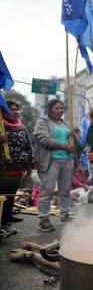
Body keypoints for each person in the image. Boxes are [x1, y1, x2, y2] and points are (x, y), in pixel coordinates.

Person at [33, 99, 77, 232]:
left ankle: (64, 214)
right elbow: (45, 140)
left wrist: (74, 137)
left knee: (65, 190)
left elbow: (74, 145)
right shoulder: (42, 122)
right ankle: (43, 219)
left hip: (67, 160)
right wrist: (65, 147)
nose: (60, 110)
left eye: (62, 108)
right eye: (57, 108)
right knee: (47, 190)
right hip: (50, 160)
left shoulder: (67, 124)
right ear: (50, 109)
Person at [0, 101, 33, 236]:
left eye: (17, 109)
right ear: (3, 112)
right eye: (12, 109)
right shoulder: (1, 127)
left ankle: (7, 219)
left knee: (11, 195)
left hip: (17, 168)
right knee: (2, 197)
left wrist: (28, 162)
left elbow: (28, 145)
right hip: (2, 170)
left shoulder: (22, 127)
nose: (15, 112)